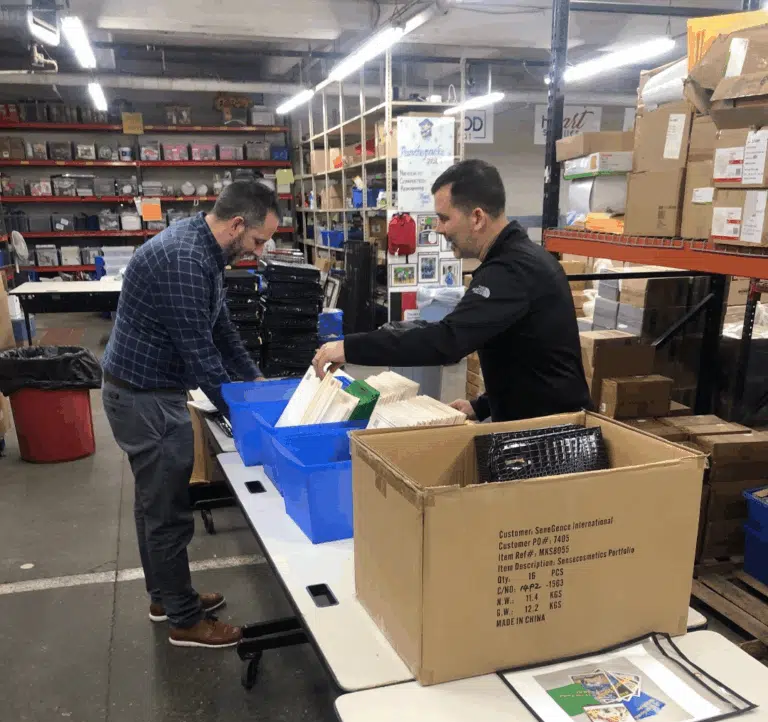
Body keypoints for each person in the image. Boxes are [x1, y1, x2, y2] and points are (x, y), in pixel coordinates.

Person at [102, 180, 279, 649]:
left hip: (147, 392)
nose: (259, 252)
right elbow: (200, 356)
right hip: (145, 399)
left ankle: (167, 596)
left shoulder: (205, 252)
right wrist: (242, 415)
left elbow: (222, 332)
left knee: (153, 505)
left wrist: (255, 384)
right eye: (258, 241)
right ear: (237, 224)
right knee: (167, 513)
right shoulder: (184, 259)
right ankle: (184, 620)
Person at [313, 160, 590, 423]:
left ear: (477, 217)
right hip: (543, 422)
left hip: (551, 437)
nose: (439, 228)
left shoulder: (511, 271)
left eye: (444, 218)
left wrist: (349, 347)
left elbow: (446, 341)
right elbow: (527, 356)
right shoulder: (518, 260)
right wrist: (482, 405)